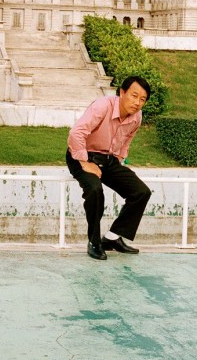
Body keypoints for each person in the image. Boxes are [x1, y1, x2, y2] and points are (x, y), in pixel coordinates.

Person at [65, 75, 153, 260]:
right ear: (122, 92)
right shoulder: (102, 106)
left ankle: (112, 238)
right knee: (95, 190)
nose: (137, 102)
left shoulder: (137, 117)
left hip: (109, 159)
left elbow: (127, 139)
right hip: (82, 154)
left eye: (142, 99)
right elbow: (76, 133)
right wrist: (84, 163)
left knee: (141, 192)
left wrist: (119, 160)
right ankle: (94, 242)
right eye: (134, 95)